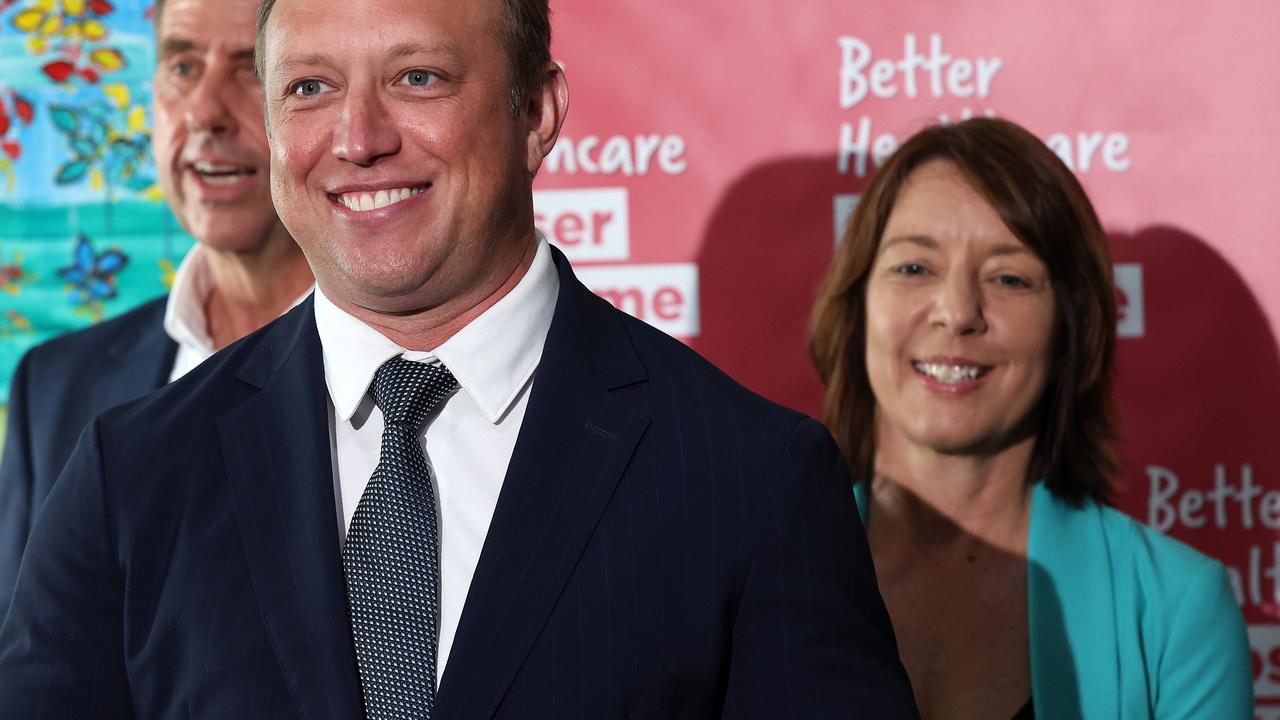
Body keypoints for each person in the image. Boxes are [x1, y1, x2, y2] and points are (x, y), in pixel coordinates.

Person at [0, 0, 920, 716]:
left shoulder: (749, 477)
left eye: (419, 77)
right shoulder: (131, 477)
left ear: (539, 112)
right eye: (310, 89)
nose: (358, 140)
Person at [810, 117, 1252, 719]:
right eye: (914, 268)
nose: (958, 312)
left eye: (1009, 278)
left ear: (1070, 328)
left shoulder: (1178, 608)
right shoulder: (758, 578)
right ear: (857, 304)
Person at [0, 0, 313, 613]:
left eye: (251, 67)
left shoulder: (411, 377)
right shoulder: (56, 386)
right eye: (182, 66)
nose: (204, 113)